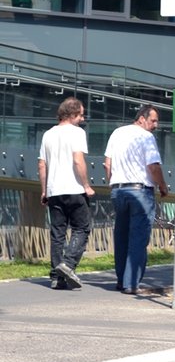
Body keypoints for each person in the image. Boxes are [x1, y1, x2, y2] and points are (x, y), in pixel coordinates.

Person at [104, 104, 168, 294]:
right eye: (153, 120)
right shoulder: (146, 137)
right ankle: (130, 283)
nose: (156, 125)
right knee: (138, 238)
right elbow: (153, 166)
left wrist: (113, 183)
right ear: (141, 118)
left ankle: (121, 279)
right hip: (140, 190)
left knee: (121, 236)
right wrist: (163, 186)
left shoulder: (117, 133)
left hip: (118, 190)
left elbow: (108, 164)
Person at [38, 97, 95, 290]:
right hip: (74, 189)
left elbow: (42, 165)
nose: (82, 118)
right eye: (80, 114)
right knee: (82, 228)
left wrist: (44, 190)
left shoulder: (48, 134)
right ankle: (68, 264)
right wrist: (86, 185)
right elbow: (78, 160)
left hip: (54, 191)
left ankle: (56, 277)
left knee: (57, 234)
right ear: (72, 114)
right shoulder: (77, 133)